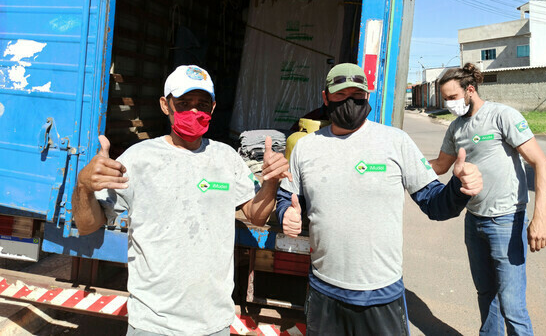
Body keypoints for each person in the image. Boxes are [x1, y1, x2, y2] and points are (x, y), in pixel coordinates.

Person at [72, 65, 290, 336]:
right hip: (153, 325)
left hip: (214, 324)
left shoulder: (227, 158)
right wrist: (83, 186)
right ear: (166, 105)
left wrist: (271, 182)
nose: (194, 112)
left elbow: (256, 215)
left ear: (212, 109)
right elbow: (86, 225)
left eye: (202, 104)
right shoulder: (138, 159)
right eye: (184, 103)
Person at [276, 63, 484, 336]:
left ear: (367, 96)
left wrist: (459, 187)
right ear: (325, 98)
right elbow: (286, 198)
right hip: (324, 292)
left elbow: (435, 204)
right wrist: (285, 215)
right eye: (341, 95)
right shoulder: (305, 146)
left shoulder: (395, 141)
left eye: (357, 95)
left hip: (381, 294)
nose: (350, 102)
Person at [429, 63, 546, 336]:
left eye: (452, 97)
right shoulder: (456, 128)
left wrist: (540, 216)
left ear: (470, 90)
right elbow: (439, 165)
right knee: (486, 295)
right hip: (474, 221)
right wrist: (401, 166)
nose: (449, 104)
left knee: (512, 306)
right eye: (445, 99)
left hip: (506, 220)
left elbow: (541, 163)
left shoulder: (502, 116)